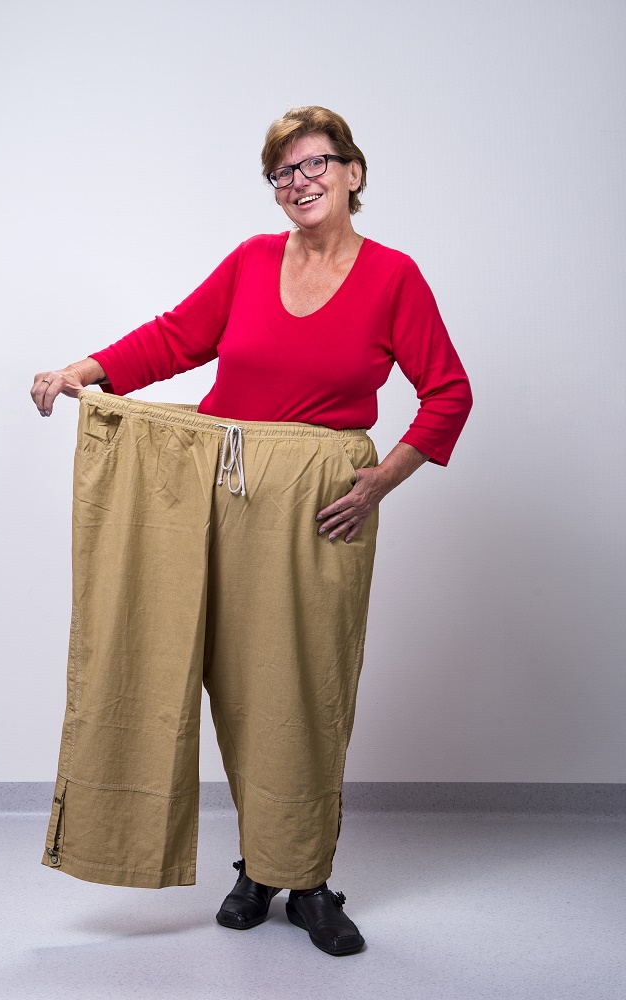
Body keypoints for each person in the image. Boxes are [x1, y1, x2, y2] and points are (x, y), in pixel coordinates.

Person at [31, 106, 473, 957]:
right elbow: (176, 338)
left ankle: (306, 879)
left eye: (316, 164)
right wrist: (85, 369)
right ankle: (259, 868)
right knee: (225, 681)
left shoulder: (394, 277)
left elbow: (448, 391)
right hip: (215, 489)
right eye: (282, 172)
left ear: (353, 172)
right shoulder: (250, 261)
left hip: (315, 507)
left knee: (297, 690)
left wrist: (382, 479)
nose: (299, 182)